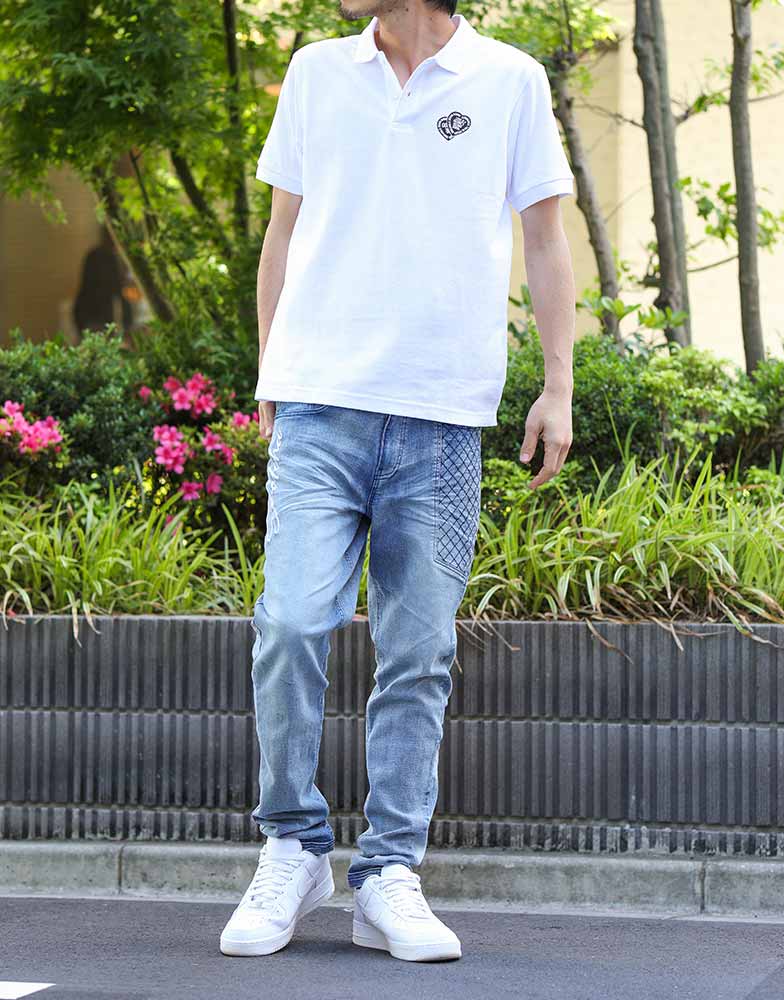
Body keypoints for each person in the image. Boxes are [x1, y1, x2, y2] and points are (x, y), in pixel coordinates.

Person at [219, 0, 576, 963]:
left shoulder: (509, 81)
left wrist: (557, 385)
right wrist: (271, 371)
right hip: (319, 404)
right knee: (291, 623)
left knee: (417, 654)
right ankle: (293, 847)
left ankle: (387, 873)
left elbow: (545, 238)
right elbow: (283, 230)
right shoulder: (316, 71)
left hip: (443, 415)